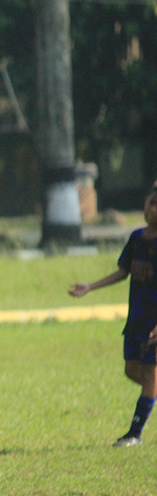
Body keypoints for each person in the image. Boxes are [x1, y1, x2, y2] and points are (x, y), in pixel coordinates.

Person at [69, 182, 157, 447]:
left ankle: (134, 434)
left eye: (156, 205)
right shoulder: (137, 238)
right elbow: (123, 271)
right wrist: (90, 287)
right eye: (150, 203)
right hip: (137, 318)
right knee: (132, 370)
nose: (151, 209)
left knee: (150, 376)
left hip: (154, 322)